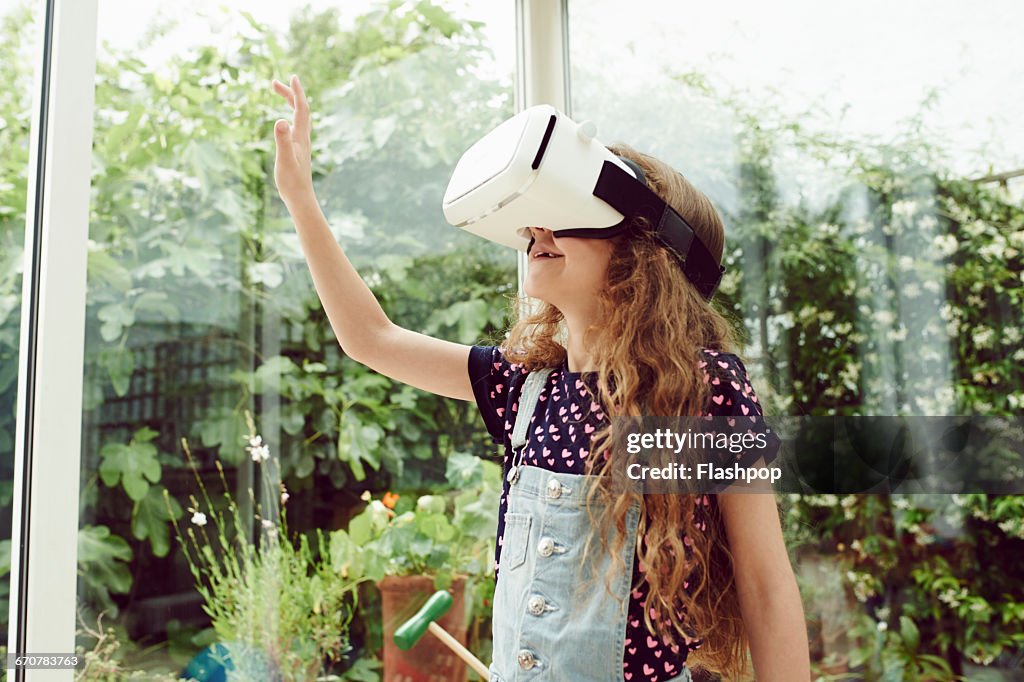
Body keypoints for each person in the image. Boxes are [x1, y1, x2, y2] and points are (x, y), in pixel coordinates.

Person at [270, 74, 811, 681]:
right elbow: (372, 339)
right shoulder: (526, 390)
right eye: (533, 219)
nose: (536, 231)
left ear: (645, 253)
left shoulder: (703, 393)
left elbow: (764, 584)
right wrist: (300, 198)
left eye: (567, 214)